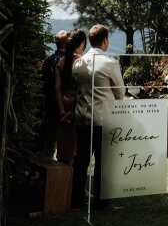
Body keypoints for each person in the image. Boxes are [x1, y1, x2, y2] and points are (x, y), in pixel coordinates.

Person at [72, 25, 126, 209]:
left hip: (82, 117)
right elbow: (120, 93)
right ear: (104, 40)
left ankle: (76, 200)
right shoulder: (110, 63)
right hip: (104, 119)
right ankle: (101, 203)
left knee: (81, 161)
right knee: (104, 163)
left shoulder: (78, 63)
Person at [54, 29, 85, 165]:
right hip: (76, 107)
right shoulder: (82, 62)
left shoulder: (60, 62)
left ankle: (61, 180)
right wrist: (72, 111)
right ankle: (72, 181)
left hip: (62, 106)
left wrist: (61, 110)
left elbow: (57, 89)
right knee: (75, 146)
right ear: (83, 43)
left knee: (62, 145)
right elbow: (82, 90)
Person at [40, 30, 67, 158]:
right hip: (64, 106)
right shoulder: (67, 62)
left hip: (48, 105)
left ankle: (46, 174)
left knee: (48, 145)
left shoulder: (48, 60)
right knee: (65, 147)